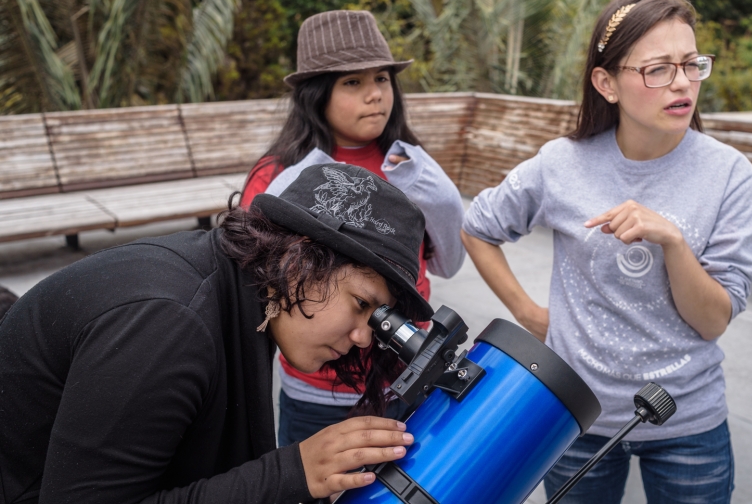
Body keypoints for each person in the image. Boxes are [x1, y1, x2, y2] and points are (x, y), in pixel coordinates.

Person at [461, 0, 752, 504]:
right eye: (658, 69)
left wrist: (672, 240)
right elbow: (478, 226)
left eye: (691, 65)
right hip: (576, 414)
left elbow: (713, 320)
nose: (683, 83)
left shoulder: (730, 175)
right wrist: (529, 315)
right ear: (607, 82)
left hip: (688, 419)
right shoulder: (561, 164)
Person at [0, 163, 431, 504]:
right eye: (361, 304)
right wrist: (292, 472)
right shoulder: (169, 325)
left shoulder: (236, 291)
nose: (364, 338)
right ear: (300, 260)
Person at [238, 10, 465, 447]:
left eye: (381, 79)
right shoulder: (277, 175)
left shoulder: (412, 167)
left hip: (407, 381)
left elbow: (450, 262)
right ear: (316, 95)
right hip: (315, 398)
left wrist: (434, 192)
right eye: (352, 83)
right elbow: (254, 283)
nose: (375, 95)